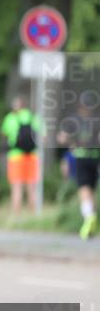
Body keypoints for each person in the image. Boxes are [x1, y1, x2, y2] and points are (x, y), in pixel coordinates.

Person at [57, 102, 100, 240]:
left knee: (84, 190)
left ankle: (89, 217)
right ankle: (92, 220)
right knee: (91, 190)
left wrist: (71, 144)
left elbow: (62, 138)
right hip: (96, 157)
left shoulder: (74, 121)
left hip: (81, 157)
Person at [0, 96, 42, 215]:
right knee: (32, 188)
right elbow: (43, 136)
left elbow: (4, 134)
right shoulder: (34, 117)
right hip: (32, 156)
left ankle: (16, 216)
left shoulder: (10, 118)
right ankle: (33, 215)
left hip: (15, 156)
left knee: (16, 188)